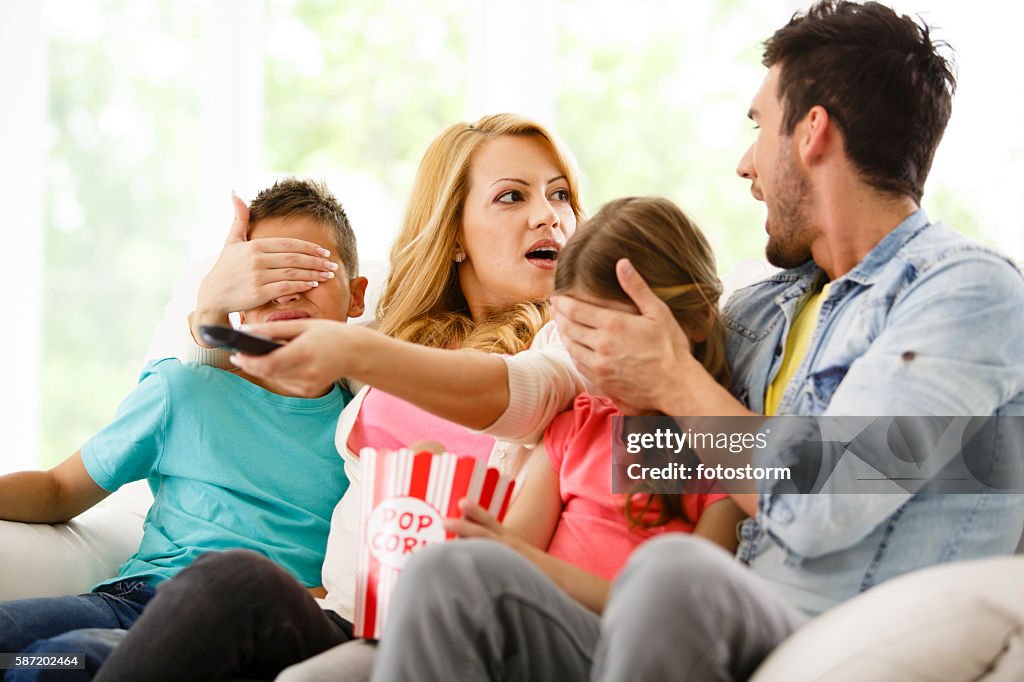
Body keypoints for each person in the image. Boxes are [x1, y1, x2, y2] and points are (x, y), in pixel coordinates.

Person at [374, 2, 1024, 680]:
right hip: (683, 618)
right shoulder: (762, 311)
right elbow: (624, 445)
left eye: (758, 127)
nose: (746, 164)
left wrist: (673, 380)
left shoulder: (964, 292)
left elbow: (823, 498)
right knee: (456, 575)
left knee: (670, 570)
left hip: (821, 628)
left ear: (812, 134)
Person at [94, 113, 588, 682]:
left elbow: (522, 392)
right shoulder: (392, 332)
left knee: (221, 590)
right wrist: (211, 309)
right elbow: (243, 401)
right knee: (217, 587)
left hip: (453, 628)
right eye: (512, 196)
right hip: (346, 619)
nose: (548, 214)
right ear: (453, 234)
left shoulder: (576, 342)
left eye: (560, 195)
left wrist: (351, 349)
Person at [0, 177, 367, 682]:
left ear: (357, 295)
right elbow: (59, 489)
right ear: (235, 294)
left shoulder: (363, 432)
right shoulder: (183, 390)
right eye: (265, 273)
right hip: (136, 601)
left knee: (66, 661)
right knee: (21, 650)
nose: (287, 289)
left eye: (310, 269)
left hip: (245, 629)